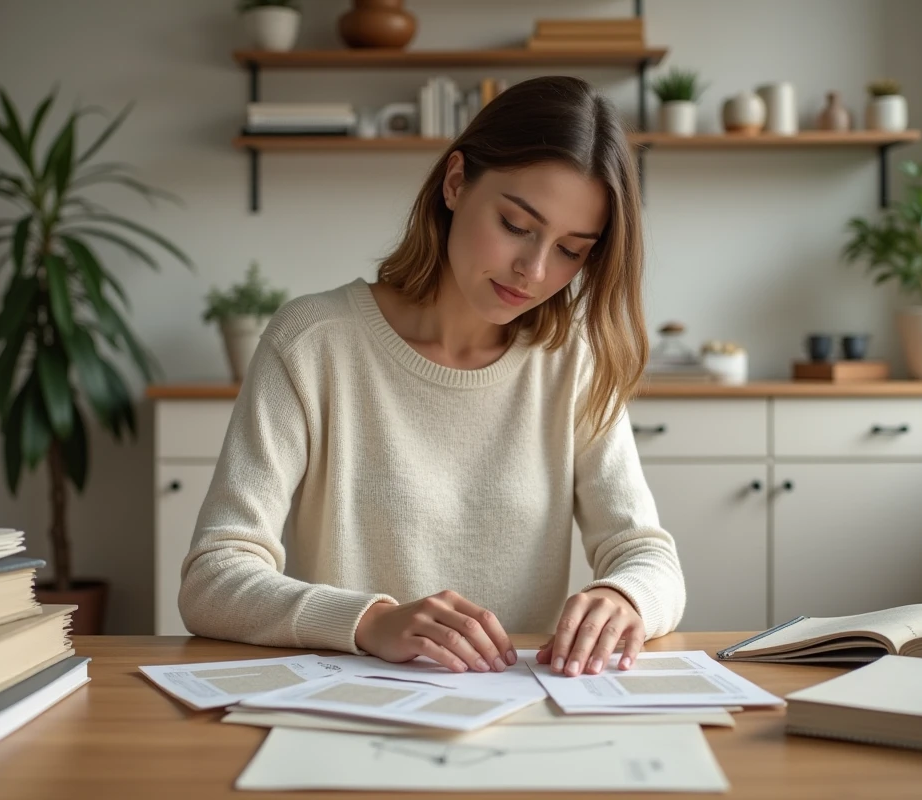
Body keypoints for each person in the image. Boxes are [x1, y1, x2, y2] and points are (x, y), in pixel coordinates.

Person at [179, 75, 685, 679]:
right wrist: (369, 622)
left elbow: (647, 554)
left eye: (572, 250)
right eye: (516, 225)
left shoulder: (572, 361)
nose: (534, 268)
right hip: (350, 712)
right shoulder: (313, 343)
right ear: (454, 183)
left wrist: (625, 598)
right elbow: (214, 576)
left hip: (514, 718)